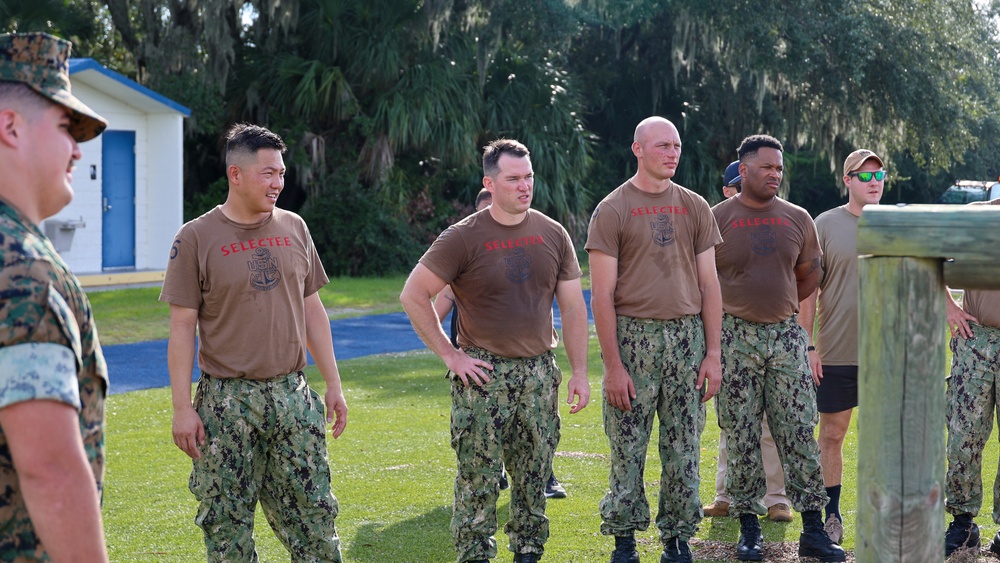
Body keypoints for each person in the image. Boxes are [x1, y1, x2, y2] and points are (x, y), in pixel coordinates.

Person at [161, 123, 348, 561]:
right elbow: (181, 329)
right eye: (267, 173)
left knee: (315, 520)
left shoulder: (295, 227)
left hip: (292, 395)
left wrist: (334, 384)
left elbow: (313, 311)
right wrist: (181, 408)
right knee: (228, 530)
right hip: (226, 403)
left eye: (281, 173)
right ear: (236, 174)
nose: (278, 183)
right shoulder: (195, 238)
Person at [400, 138, 590, 563]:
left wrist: (579, 371)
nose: (525, 187)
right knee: (478, 480)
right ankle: (474, 555)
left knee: (533, 475)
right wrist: (451, 356)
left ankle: (527, 552)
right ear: (490, 182)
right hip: (483, 376)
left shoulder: (552, 232)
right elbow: (414, 295)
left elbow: (574, 308)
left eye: (529, 178)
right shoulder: (462, 237)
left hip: (540, 375)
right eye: (513, 179)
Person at [586, 116, 723, 563]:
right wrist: (612, 365)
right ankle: (624, 539)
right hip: (634, 338)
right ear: (638, 149)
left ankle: (677, 538)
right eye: (662, 145)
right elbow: (602, 294)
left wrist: (714, 353)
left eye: (677, 145)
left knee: (683, 446)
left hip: (687, 338)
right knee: (627, 443)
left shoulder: (695, 206)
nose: (672, 153)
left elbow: (709, 285)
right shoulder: (613, 209)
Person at [0, 31, 110, 562]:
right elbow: (50, 470)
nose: (78, 149)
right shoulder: (21, 270)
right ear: (10, 126)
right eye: (67, 127)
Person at [712, 134, 844, 562]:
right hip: (734, 337)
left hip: (785, 337)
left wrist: (783, 311)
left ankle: (813, 529)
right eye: (767, 167)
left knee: (797, 432)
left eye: (780, 168)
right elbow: (702, 281)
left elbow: (810, 274)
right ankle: (749, 527)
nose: (775, 174)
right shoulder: (717, 219)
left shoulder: (797, 217)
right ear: (744, 170)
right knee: (743, 434)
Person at [433, 188, 568, 500]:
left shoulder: (538, 239)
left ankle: (546, 477)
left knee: (536, 435)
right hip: (479, 363)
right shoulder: (464, 245)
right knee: (482, 446)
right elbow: (433, 304)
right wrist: (450, 355)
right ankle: (495, 480)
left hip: (532, 364)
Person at [798, 148, 886, 545]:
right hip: (836, 351)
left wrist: (952, 308)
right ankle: (830, 516)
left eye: (878, 175)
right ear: (847, 180)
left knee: (888, 438)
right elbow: (808, 292)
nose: (873, 182)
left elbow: (929, 270)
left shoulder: (895, 224)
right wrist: (809, 345)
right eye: (864, 176)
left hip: (887, 353)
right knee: (832, 434)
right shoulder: (825, 225)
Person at [704, 160, 793, 524]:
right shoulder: (718, 220)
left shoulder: (781, 218)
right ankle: (725, 494)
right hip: (730, 332)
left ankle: (776, 499)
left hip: (773, 334)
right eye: (733, 185)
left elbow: (799, 275)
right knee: (733, 420)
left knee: (772, 423)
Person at [942, 196, 1000, 556]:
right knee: (964, 437)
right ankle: (963, 523)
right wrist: (949, 306)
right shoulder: (976, 213)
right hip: (975, 341)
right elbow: (929, 258)